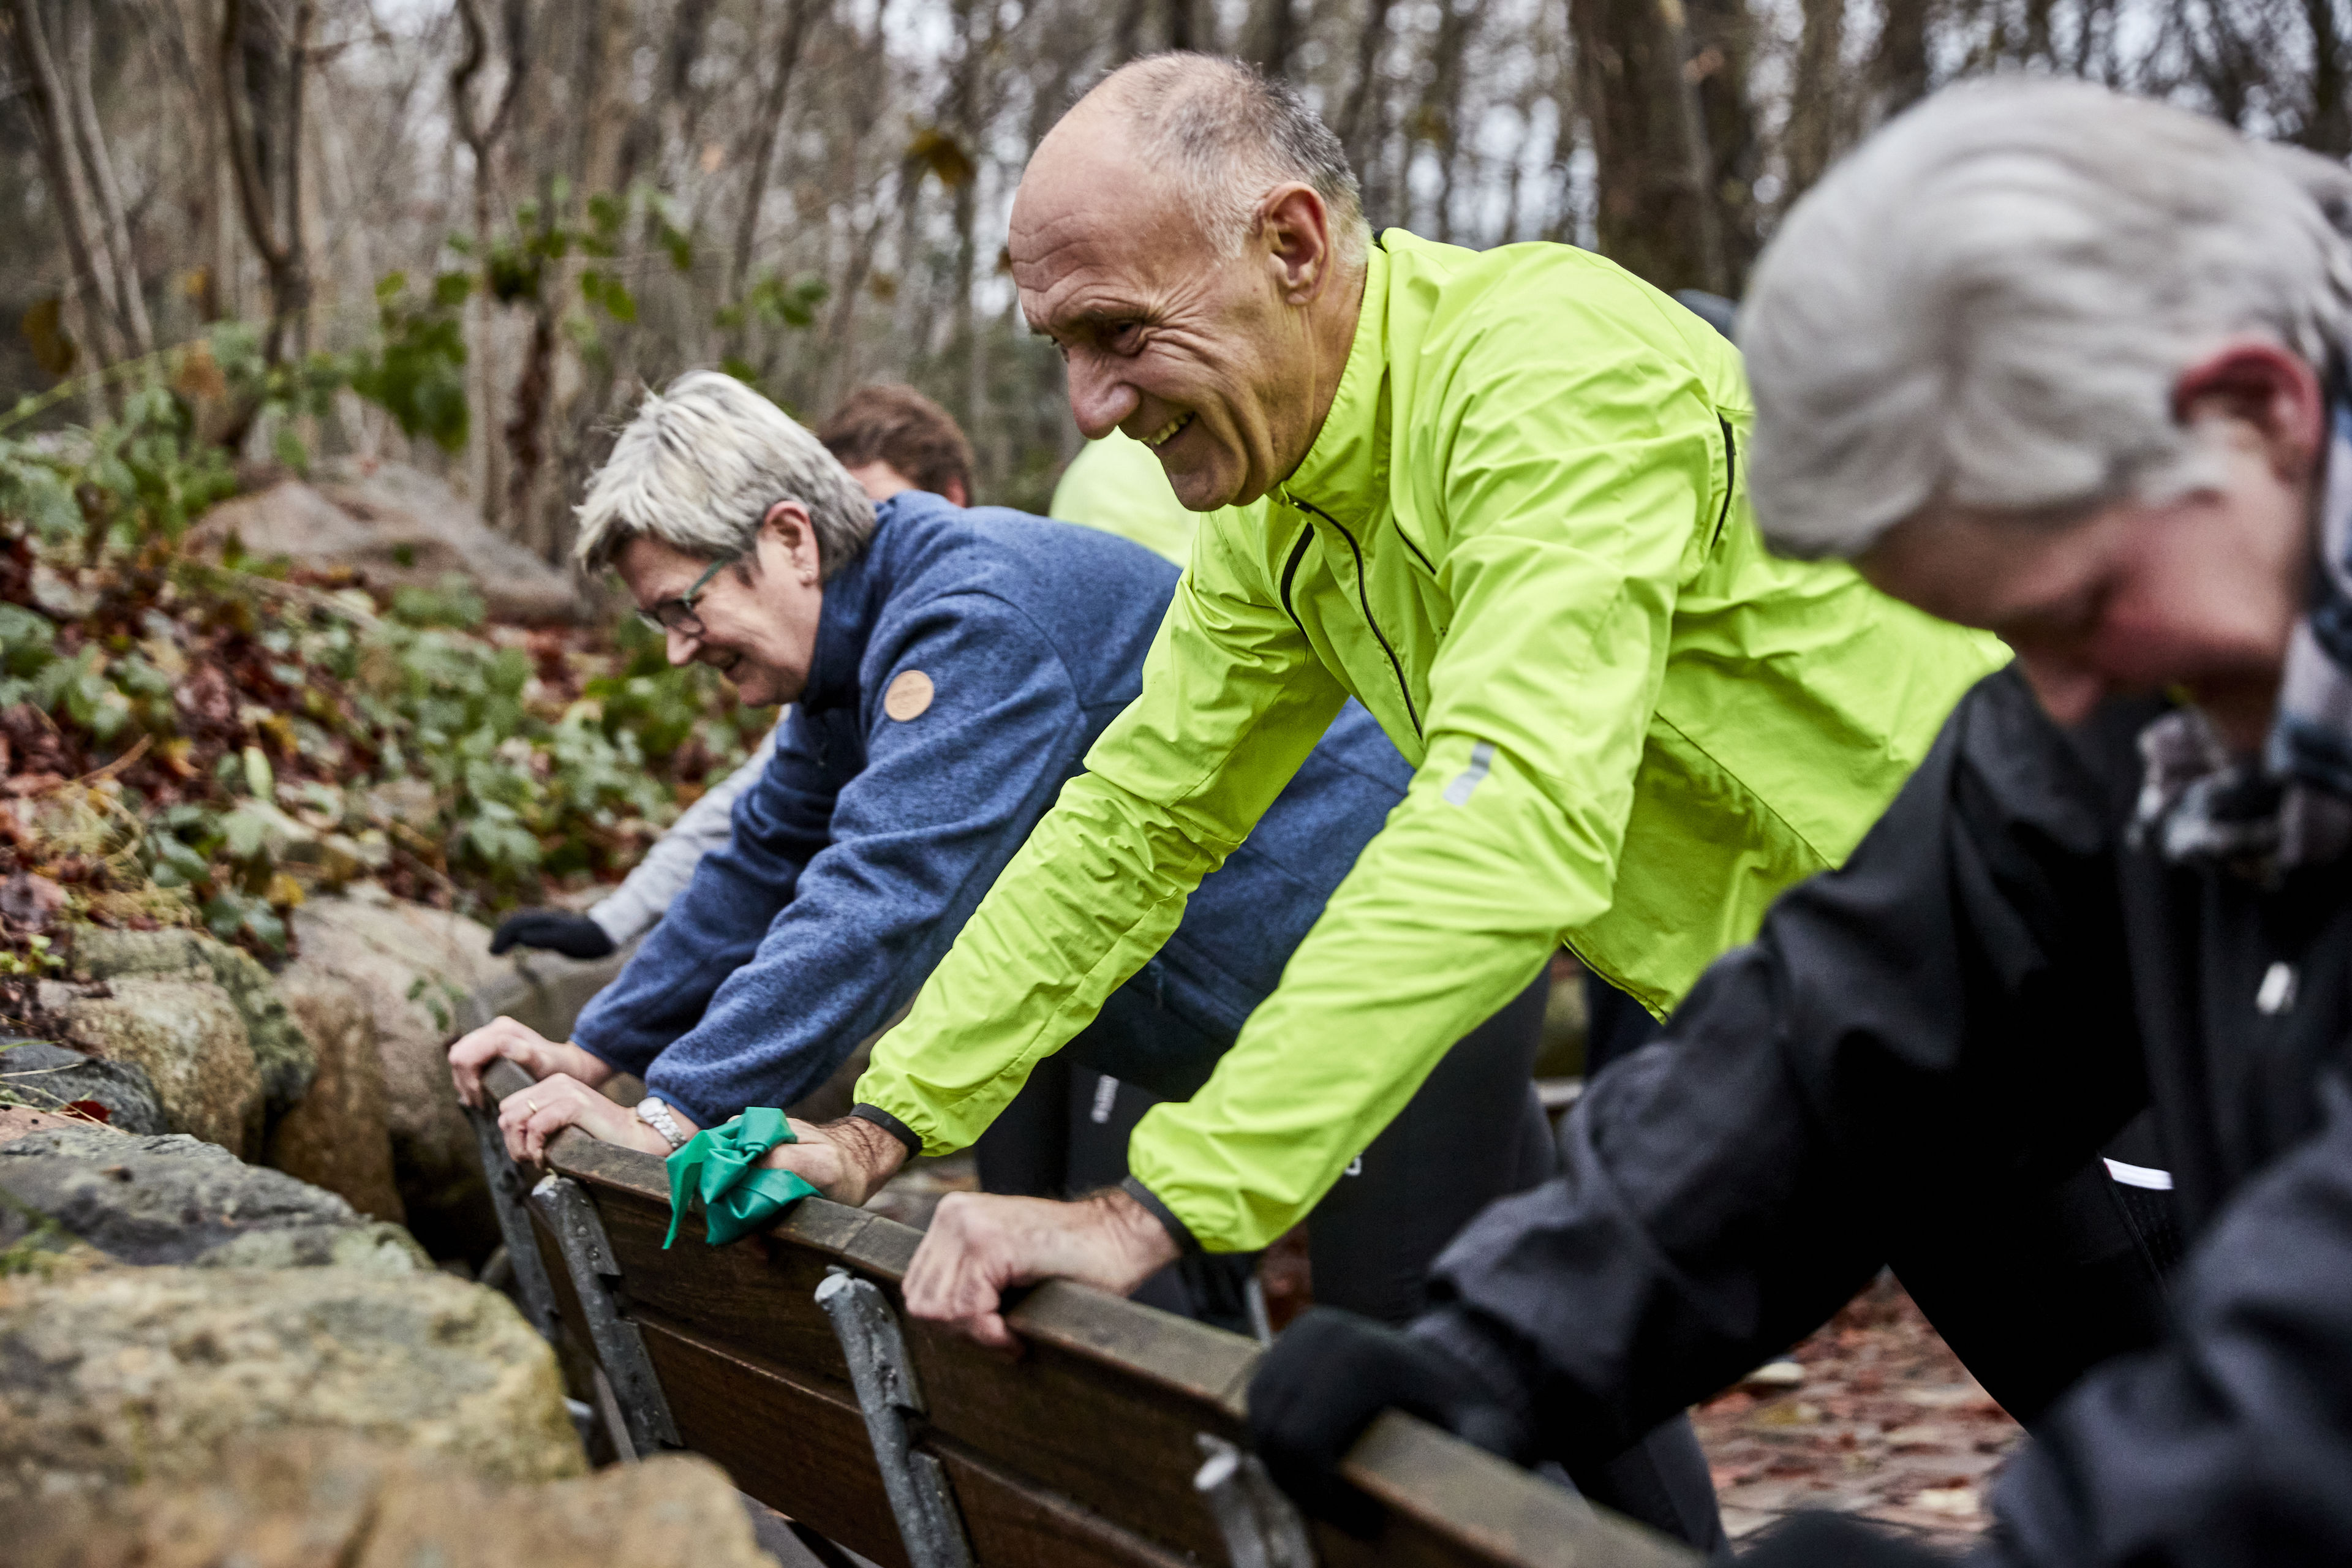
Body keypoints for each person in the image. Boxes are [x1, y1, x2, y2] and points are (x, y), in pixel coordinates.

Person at [735, 53, 2002, 1547]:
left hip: (2026, 962)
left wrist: (1156, 1207)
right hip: (1828, 1022)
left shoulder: (1543, 371)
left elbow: (1510, 808)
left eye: (1117, 332)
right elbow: (1138, 817)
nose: (1086, 405)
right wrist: (883, 1118)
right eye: (1058, 347)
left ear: (1289, 245)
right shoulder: (1289, 506)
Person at [1248, 80, 2352, 1566]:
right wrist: (1492, 1350)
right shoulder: (2145, 676)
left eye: (2079, 608)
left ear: (2252, 411)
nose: (2060, 690)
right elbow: (1861, 1009)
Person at [445, 369, 1569, 1333]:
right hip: (1282, 1006)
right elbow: (757, 868)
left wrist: (665, 1116)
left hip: (1392, 972)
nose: (682, 647)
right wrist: (594, 1055)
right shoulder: (851, 663)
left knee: (1421, 1372)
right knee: (1541, 1332)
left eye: (683, 607)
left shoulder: (971, 614)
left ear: (787, 538)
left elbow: (886, 889)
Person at [488, 383, 979, 963]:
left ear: (951, 498)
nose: (855, 537)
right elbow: (754, 814)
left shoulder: (974, 624)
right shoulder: (834, 671)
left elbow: (881, 897)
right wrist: (610, 924)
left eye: (881, 505)